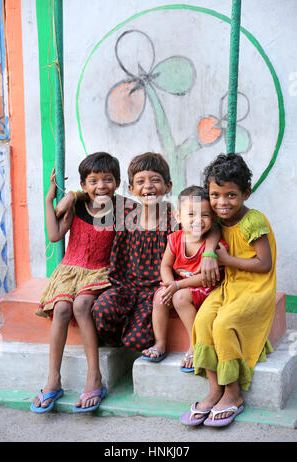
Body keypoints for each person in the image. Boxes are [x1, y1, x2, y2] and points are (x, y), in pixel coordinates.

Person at [180, 153, 277, 428]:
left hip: (255, 288)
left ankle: (233, 393)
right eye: (215, 195)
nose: (222, 203)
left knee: (223, 324)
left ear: (246, 193)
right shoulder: (220, 221)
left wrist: (224, 260)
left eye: (231, 195)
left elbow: (264, 264)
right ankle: (214, 389)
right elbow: (213, 233)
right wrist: (211, 251)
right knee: (203, 320)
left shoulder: (252, 221)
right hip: (228, 286)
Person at [92, 153, 221, 352]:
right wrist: (73, 196)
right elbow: (96, 193)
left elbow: (212, 226)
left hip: (156, 290)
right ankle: (120, 337)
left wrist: (210, 252)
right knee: (101, 310)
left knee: (139, 340)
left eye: (155, 180)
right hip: (125, 287)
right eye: (141, 181)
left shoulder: (175, 217)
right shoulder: (123, 213)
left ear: (168, 186)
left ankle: (134, 336)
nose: (148, 186)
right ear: (131, 189)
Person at [31, 152, 121, 413]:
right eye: (93, 181)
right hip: (71, 270)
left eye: (107, 180)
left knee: (82, 305)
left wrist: (74, 193)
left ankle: (94, 376)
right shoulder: (76, 207)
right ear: (83, 185)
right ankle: (53, 379)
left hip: (98, 272)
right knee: (60, 309)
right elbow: (55, 234)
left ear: (117, 183)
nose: (101, 186)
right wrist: (52, 198)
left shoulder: (121, 210)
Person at [141, 186, 228, 369]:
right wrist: (168, 284)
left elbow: (206, 278)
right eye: (191, 214)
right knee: (160, 296)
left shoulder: (215, 247)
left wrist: (177, 285)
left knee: (179, 298)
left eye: (204, 215)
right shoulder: (175, 239)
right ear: (178, 217)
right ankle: (160, 343)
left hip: (207, 288)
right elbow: (165, 265)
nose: (198, 220)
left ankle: (195, 346)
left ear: (213, 218)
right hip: (182, 286)